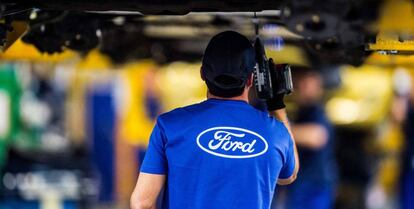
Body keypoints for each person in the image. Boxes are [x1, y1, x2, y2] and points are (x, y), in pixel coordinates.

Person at [130, 31, 299, 209]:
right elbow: (288, 175)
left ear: (202, 74)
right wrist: (276, 105)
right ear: (251, 79)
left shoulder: (169, 125)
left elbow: (142, 203)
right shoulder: (275, 131)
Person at [284, 67, 337, 209]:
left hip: (314, 184)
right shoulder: (303, 112)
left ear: (318, 86)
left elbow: (316, 136)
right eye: (299, 83)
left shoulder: (317, 111)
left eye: (306, 83)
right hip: (303, 182)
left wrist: (280, 131)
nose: (300, 87)